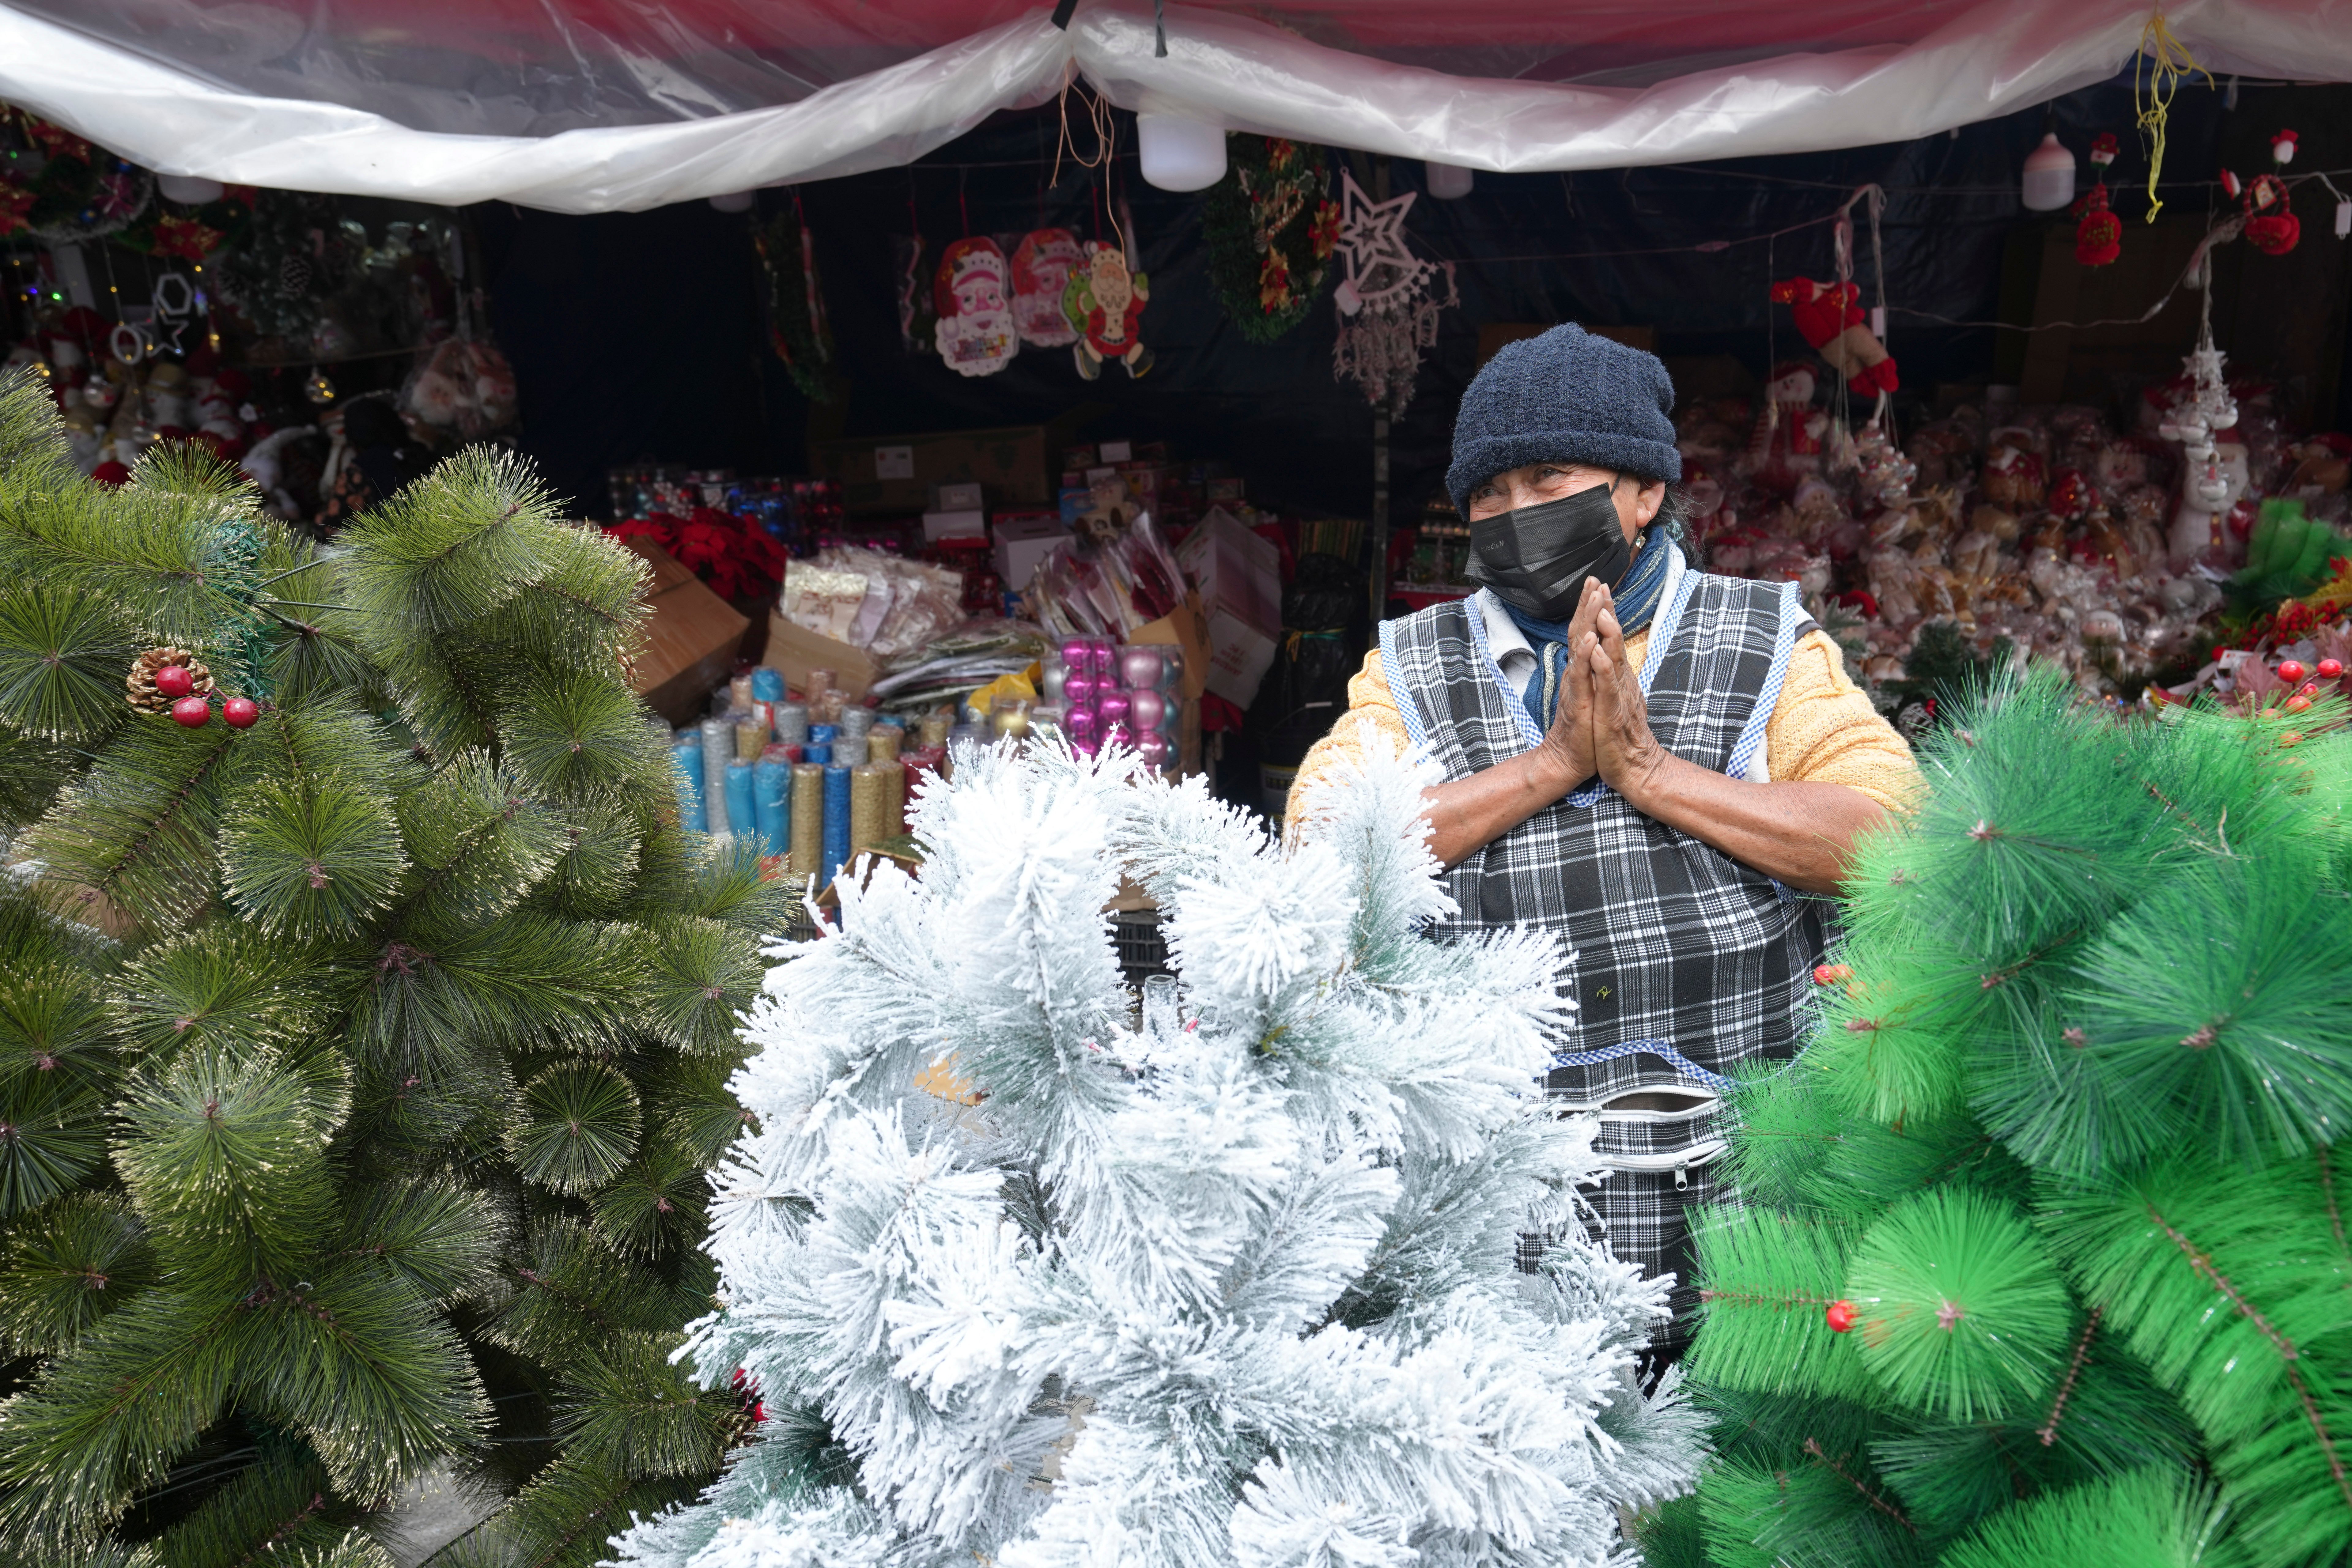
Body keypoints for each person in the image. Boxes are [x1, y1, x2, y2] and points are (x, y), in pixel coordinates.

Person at [1289, 323, 1917, 1352]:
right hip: (1497, 1250)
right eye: (1488, 497)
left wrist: (1650, 775)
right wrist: (1549, 769)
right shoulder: (1408, 666)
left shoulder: (1767, 643)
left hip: (1754, 1238)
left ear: (1643, 493)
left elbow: (1892, 838)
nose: (1516, 515)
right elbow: (1319, 844)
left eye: (1550, 479)